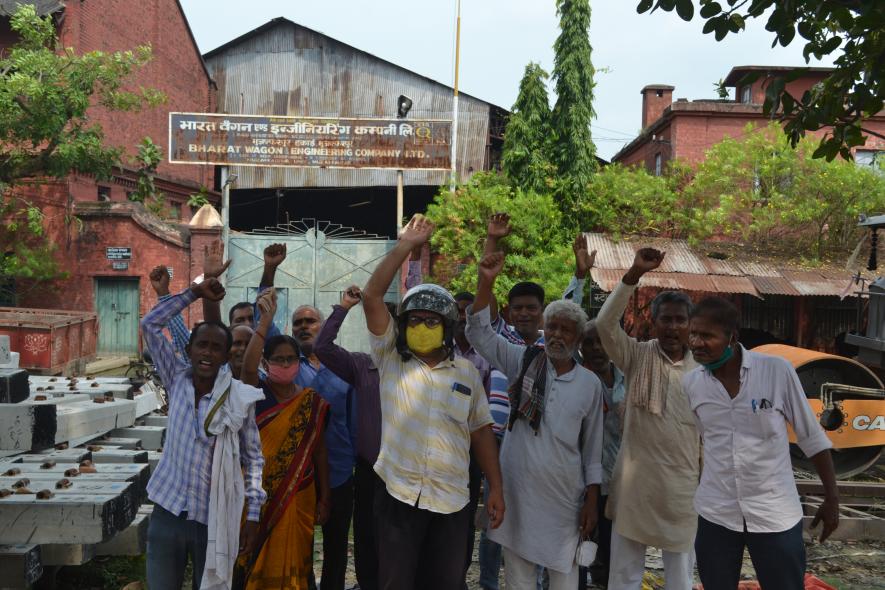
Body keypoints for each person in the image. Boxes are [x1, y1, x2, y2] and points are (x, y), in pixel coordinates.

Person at [361, 213, 505, 590]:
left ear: (445, 327)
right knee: (396, 584)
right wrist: (406, 245)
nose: (421, 327)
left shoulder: (467, 374)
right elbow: (371, 296)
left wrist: (496, 487)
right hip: (397, 495)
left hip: (453, 500)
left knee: (445, 583)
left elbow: (481, 432)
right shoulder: (390, 358)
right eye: (414, 321)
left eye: (430, 321)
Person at [467, 251, 603, 590]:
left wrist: (591, 501)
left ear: (577, 338)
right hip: (518, 492)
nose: (557, 335)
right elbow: (479, 332)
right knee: (518, 578)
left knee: (564, 577)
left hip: (563, 499)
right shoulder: (523, 360)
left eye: (566, 330)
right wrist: (486, 280)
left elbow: (593, 449)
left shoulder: (590, 384)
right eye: (553, 327)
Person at [683, 297, 839, 590]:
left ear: (732, 337)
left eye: (706, 335)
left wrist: (832, 498)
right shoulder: (692, 384)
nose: (696, 342)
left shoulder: (776, 371)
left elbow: (812, 437)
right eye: (693, 333)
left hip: (774, 513)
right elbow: (705, 440)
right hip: (717, 512)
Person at [141, 277, 266, 590]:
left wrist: (252, 514)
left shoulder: (238, 398)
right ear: (190, 350)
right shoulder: (176, 379)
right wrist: (194, 292)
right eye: (202, 345)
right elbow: (150, 324)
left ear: (226, 357)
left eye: (216, 348)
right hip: (167, 511)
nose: (207, 353)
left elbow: (254, 458)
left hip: (215, 518)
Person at [595, 248, 700, 590]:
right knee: (624, 575)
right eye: (665, 319)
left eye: (679, 320)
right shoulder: (637, 356)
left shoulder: (704, 371)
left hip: (683, 491)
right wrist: (632, 275)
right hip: (635, 488)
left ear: (689, 325)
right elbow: (604, 325)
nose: (672, 327)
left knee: (681, 579)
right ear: (653, 323)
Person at [235, 289, 331, 590]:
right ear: (267, 363)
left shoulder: (311, 401)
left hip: (299, 494)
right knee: (252, 558)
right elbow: (247, 367)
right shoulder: (257, 394)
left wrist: (325, 496)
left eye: (291, 359)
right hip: (255, 498)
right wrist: (264, 322)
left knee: (296, 567)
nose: (286, 364)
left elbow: (319, 453)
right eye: (279, 359)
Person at [313, 285, 383, 590]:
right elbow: (323, 348)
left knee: (398, 540)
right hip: (369, 469)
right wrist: (344, 307)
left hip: (406, 470)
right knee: (365, 539)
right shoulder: (362, 366)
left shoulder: (413, 367)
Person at [290, 302, 356, 590]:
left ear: (324, 326)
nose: (304, 326)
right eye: (298, 323)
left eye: (310, 321)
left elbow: (356, 421)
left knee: (336, 546)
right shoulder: (287, 369)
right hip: (299, 475)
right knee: (299, 544)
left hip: (340, 472)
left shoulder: (345, 368)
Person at [580, 321, 626, 588]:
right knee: (582, 547)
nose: (597, 348)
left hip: (620, 481)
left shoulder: (627, 376)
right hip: (584, 480)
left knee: (613, 549)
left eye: (602, 341)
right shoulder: (577, 381)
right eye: (589, 342)